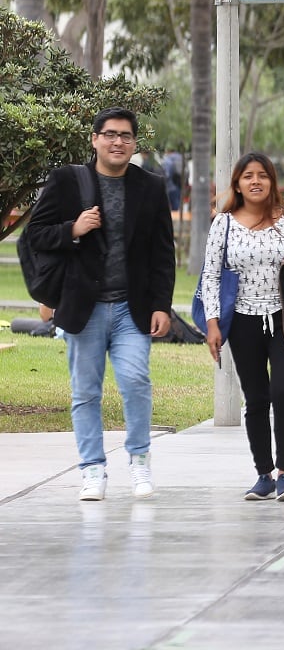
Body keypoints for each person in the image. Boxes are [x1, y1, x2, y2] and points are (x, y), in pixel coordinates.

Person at [24, 107, 176, 501]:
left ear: (135, 143)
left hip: (132, 307)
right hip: (84, 306)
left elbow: (163, 254)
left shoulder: (151, 186)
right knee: (85, 392)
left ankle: (139, 461)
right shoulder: (66, 182)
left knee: (136, 381)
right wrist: (73, 229)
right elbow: (35, 234)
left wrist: (162, 304)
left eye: (126, 136)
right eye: (110, 134)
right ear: (94, 140)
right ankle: (92, 470)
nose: (118, 142)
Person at [201, 152, 284, 501]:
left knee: (282, 392)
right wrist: (213, 323)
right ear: (238, 184)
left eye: (262, 175)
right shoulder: (223, 224)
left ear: (272, 181)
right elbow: (210, 277)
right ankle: (264, 474)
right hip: (242, 322)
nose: (255, 181)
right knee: (256, 398)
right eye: (247, 176)